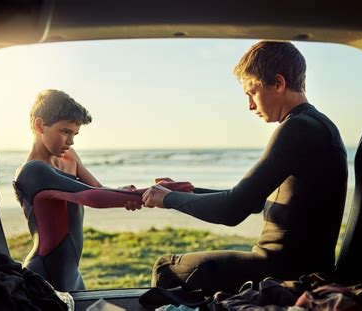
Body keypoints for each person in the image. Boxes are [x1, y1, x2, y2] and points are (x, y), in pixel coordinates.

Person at [142, 41, 348, 295]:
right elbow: (252, 200)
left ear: (279, 83)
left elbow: (233, 209)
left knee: (167, 267)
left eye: (251, 93)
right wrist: (190, 191)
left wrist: (169, 199)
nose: (250, 105)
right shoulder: (315, 125)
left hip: (285, 271)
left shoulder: (298, 128)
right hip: (299, 265)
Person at [13, 89, 193, 292]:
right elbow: (93, 198)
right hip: (45, 276)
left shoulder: (69, 157)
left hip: (72, 274)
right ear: (39, 125)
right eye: (65, 131)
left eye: (74, 134)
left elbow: (97, 188)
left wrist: (124, 193)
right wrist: (157, 193)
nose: (71, 141)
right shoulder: (33, 171)